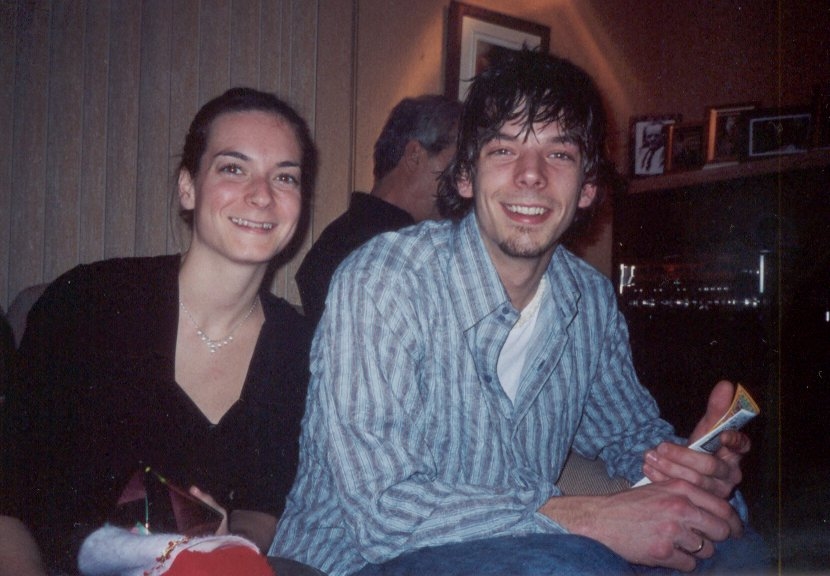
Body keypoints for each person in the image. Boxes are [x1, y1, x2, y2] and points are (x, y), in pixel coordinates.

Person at [271, 49, 768, 575]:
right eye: (504, 150)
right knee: (575, 563)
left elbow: (627, 434)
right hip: (356, 560)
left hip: (526, 549)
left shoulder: (589, 300)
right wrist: (590, 519)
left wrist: (690, 464)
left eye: (559, 154)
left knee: (729, 538)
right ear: (466, 175)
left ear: (588, 187)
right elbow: (382, 513)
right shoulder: (384, 280)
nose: (531, 175)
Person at [0, 87, 318, 575]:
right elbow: (8, 493)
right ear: (188, 187)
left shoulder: (297, 345)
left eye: (285, 176)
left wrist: (232, 540)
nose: (262, 194)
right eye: (233, 168)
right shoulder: (90, 302)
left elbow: (262, 506)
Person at [295, 94, 461, 325]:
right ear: (414, 155)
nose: (465, 180)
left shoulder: (337, 239)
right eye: (458, 164)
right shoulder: (376, 249)